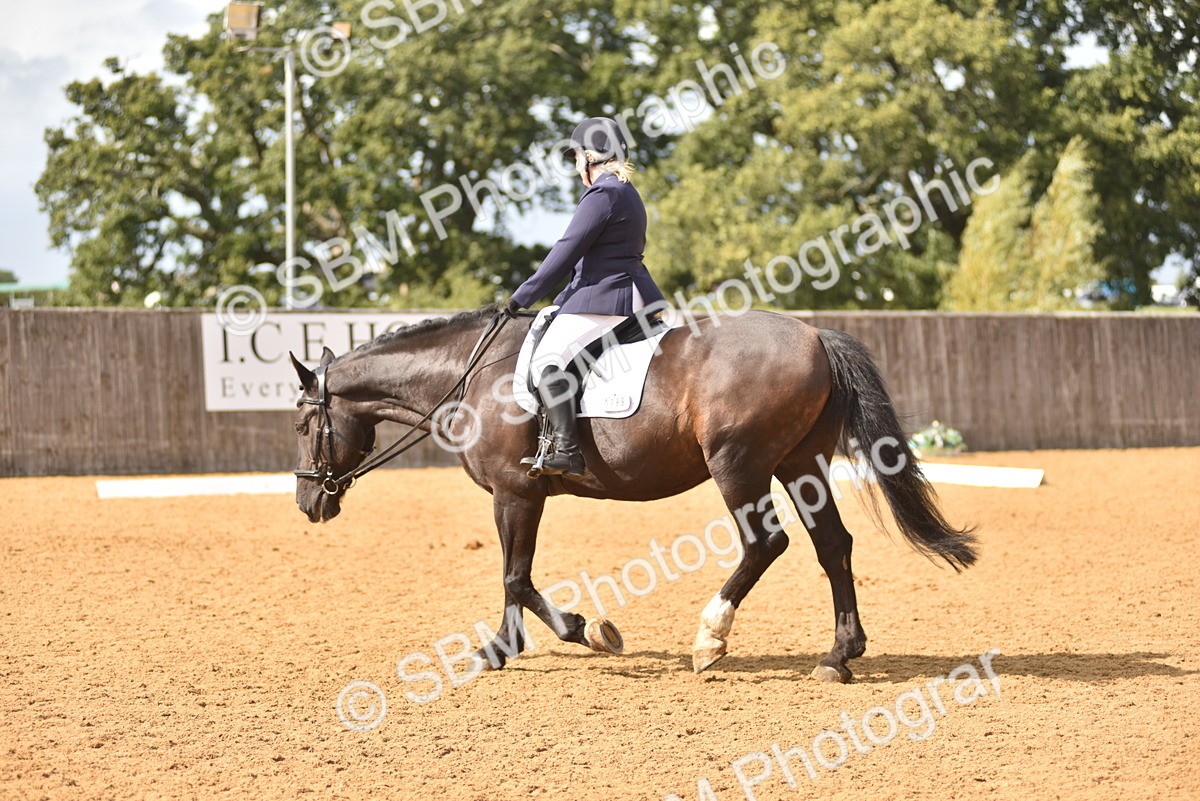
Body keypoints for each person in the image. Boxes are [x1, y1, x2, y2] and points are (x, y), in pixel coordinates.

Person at [505, 116, 666, 477]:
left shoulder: (603, 193)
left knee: (547, 360)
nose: (576, 167)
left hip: (606, 298)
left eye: (576, 157)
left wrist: (522, 297)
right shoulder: (627, 192)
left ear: (591, 157)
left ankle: (566, 450)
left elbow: (567, 250)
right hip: (633, 294)